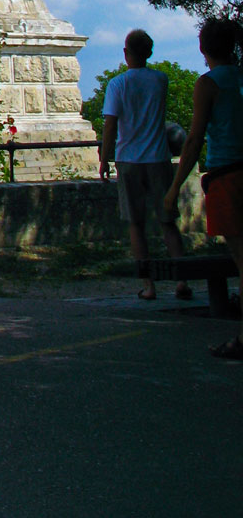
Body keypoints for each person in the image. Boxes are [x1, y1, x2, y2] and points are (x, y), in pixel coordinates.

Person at [163, 18, 243, 361]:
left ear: (203, 47)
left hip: (228, 173)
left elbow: (194, 139)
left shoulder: (208, 84)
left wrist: (174, 188)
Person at [100, 28, 192, 302]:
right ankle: (182, 280)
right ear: (150, 53)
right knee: (168, 223)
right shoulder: (160, 80)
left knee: (136, 225)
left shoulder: (117, 84)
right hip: (158, 157)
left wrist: (105, 157)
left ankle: (148, 284)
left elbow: (110, 124)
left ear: (126, 53)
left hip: (129, 158)